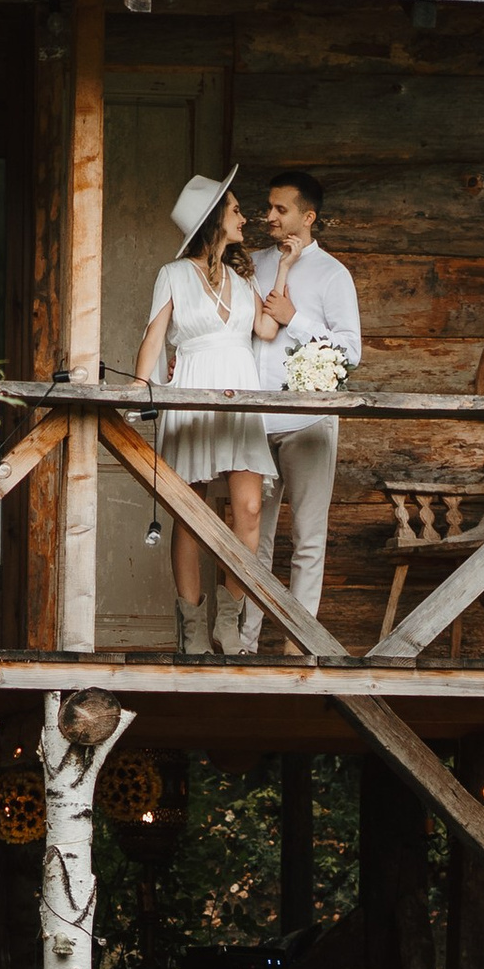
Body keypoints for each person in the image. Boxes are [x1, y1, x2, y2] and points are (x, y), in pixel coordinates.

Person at [134, 169, 290, 658]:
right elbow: (154, 339)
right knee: (190, 512)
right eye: (237, 210)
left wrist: (285, 270)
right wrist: (140, 391)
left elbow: (265, 330)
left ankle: (229, 615)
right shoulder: (174, 274)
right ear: (214, 219)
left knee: (248, 510)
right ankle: (192, 627)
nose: (244, 217)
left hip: (240, 395)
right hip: (193, 392)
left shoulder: (244, 279)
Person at [238, 170, 362, 654]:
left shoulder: (333, 274)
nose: (268, 216)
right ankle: (245, 645)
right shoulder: (249, 265)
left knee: (308, 538)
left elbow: (351, 352)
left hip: (308, 423)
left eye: (280, 209)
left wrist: (297, 319)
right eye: (268, 207)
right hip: (254, 423)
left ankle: (299, 645)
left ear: (307, 217)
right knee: (254, 540)